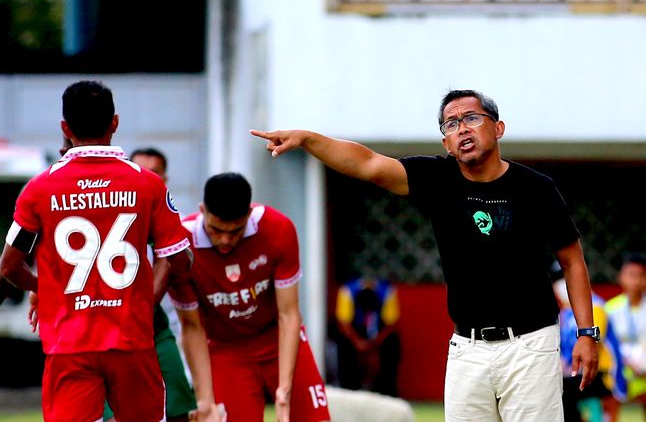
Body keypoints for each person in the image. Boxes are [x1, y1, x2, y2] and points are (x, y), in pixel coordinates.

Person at [251, 89, 599, 421]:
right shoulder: (438, 179)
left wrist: (586, 333)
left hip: (531, 343)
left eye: (472, 118)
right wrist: (309, 139)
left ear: (498, 127)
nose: (462, 128)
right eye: (451, 124)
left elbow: (572, 262)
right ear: (446, 143)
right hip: (467, 347)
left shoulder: (535, 188)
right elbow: (367, 163)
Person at [0, 80, 216, 422]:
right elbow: (179, 261)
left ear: (65, 127)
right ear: (115, 123)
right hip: (132, 341)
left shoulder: (39, 188)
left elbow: (10, 267)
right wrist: (153, 285)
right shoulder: (148, 184)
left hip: (69, 344)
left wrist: (43, 287)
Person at [168, 172, 331, 422]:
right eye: (215, 230)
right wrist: (205, 399)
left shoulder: (277, 229)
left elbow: (289, 314)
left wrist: (284, 389)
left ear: (249, 214)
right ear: (203, 211)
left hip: (277, 338)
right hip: (226, 350)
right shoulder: (182, 244)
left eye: (235, 232)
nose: (224, 241)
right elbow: (192, 327)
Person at [552, 263, 626, 422]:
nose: (560, 286)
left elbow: (591, 346)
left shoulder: (595, 306)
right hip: (577, 374)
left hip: (602, 374)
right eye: (557, 281)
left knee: (562, 391)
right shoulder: (564, 313)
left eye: (563, 279)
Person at [334, 275, 400, 397]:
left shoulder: (387, 291)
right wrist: (358, 342)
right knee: (343, 343)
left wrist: (375, 342)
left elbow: (391, 325)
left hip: (378, 334)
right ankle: (350, 388)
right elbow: (343, 324)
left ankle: (385, 390)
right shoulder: (348, 291)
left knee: (393, 342)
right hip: (355, 333)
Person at [606, 252, 646, 416]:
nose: (636, 281)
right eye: (631, 275)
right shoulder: (610, 309)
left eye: (642, 275)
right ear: (621, 277)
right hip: (620, 368)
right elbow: (608, 345)